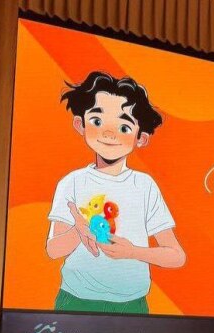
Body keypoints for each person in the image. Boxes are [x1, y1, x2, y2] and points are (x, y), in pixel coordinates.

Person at [45, 71, 186, 314]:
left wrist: (132, 252)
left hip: (132, 306)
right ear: (80, 124)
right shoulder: (72, 182)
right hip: (76, 301)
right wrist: (79, 232)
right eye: (97, 121)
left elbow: (176, 256)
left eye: (123, 126)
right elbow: (53, 250)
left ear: (141, 138)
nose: (109, 134)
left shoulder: (144, 186)